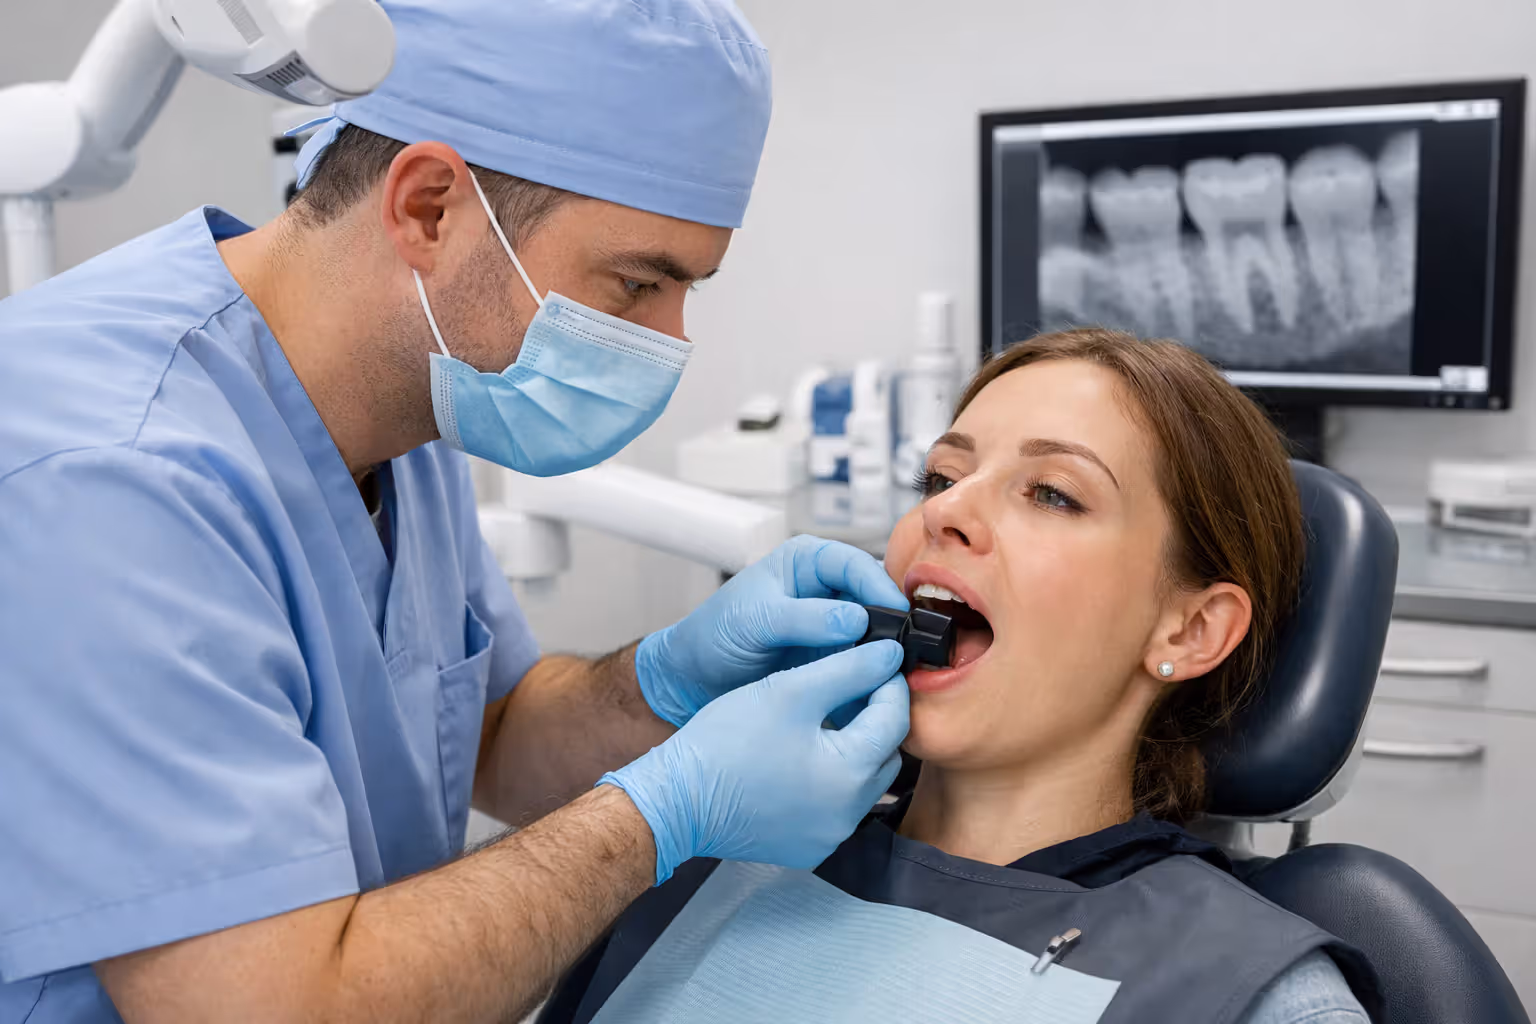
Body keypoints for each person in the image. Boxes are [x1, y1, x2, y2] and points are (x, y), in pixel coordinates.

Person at [0, 2, 915, 1022]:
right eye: (638, 283)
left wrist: (669, 681)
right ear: (431, 207)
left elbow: (492, 733)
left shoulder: (413, 397)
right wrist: (663, 812)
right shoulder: (110, 475)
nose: (669, 341)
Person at [543, 329, 1381, 1024]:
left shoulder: (1256, 998)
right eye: (941, 478)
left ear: (1191, 629)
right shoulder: (708, 858)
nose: (943, 511)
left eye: (1052, 493)